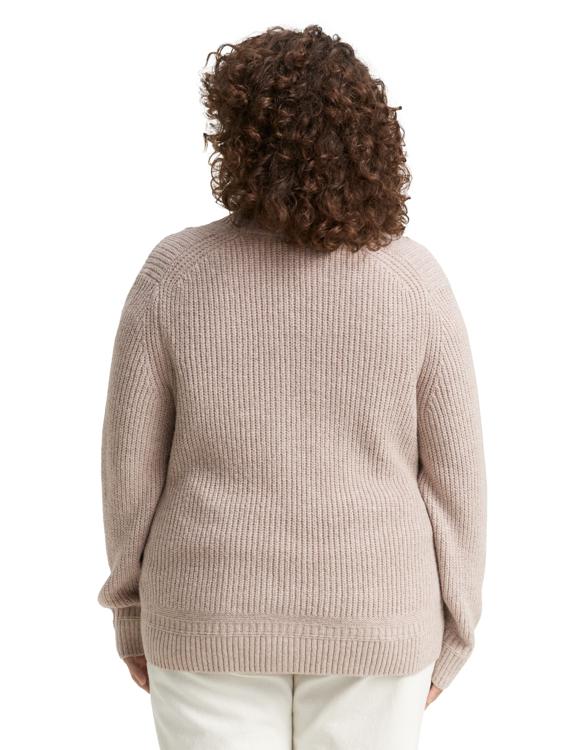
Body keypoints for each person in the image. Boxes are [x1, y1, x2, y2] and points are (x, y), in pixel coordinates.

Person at [97, 24, 487, 750]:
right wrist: (456, 631)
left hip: (208, 612)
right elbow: (456, 480)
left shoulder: (174, 275)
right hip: (377, 616)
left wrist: (131, 611)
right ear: (369, 136)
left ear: (237, 139)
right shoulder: (413, 281)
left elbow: (130, 472)